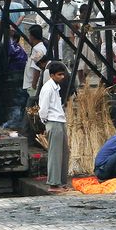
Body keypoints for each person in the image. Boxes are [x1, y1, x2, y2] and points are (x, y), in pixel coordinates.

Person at [38, 61, 70, 193]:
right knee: (55, 154)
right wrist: (45, 121)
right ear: (52, 75)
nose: (62, 77)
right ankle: (53, 184)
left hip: (59, 121)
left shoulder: (55, 87)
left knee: (64, 153)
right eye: (59, 75)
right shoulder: (47, 88)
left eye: (63, 74)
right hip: (53, 122)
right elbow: (43, 109)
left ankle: (61, 182)